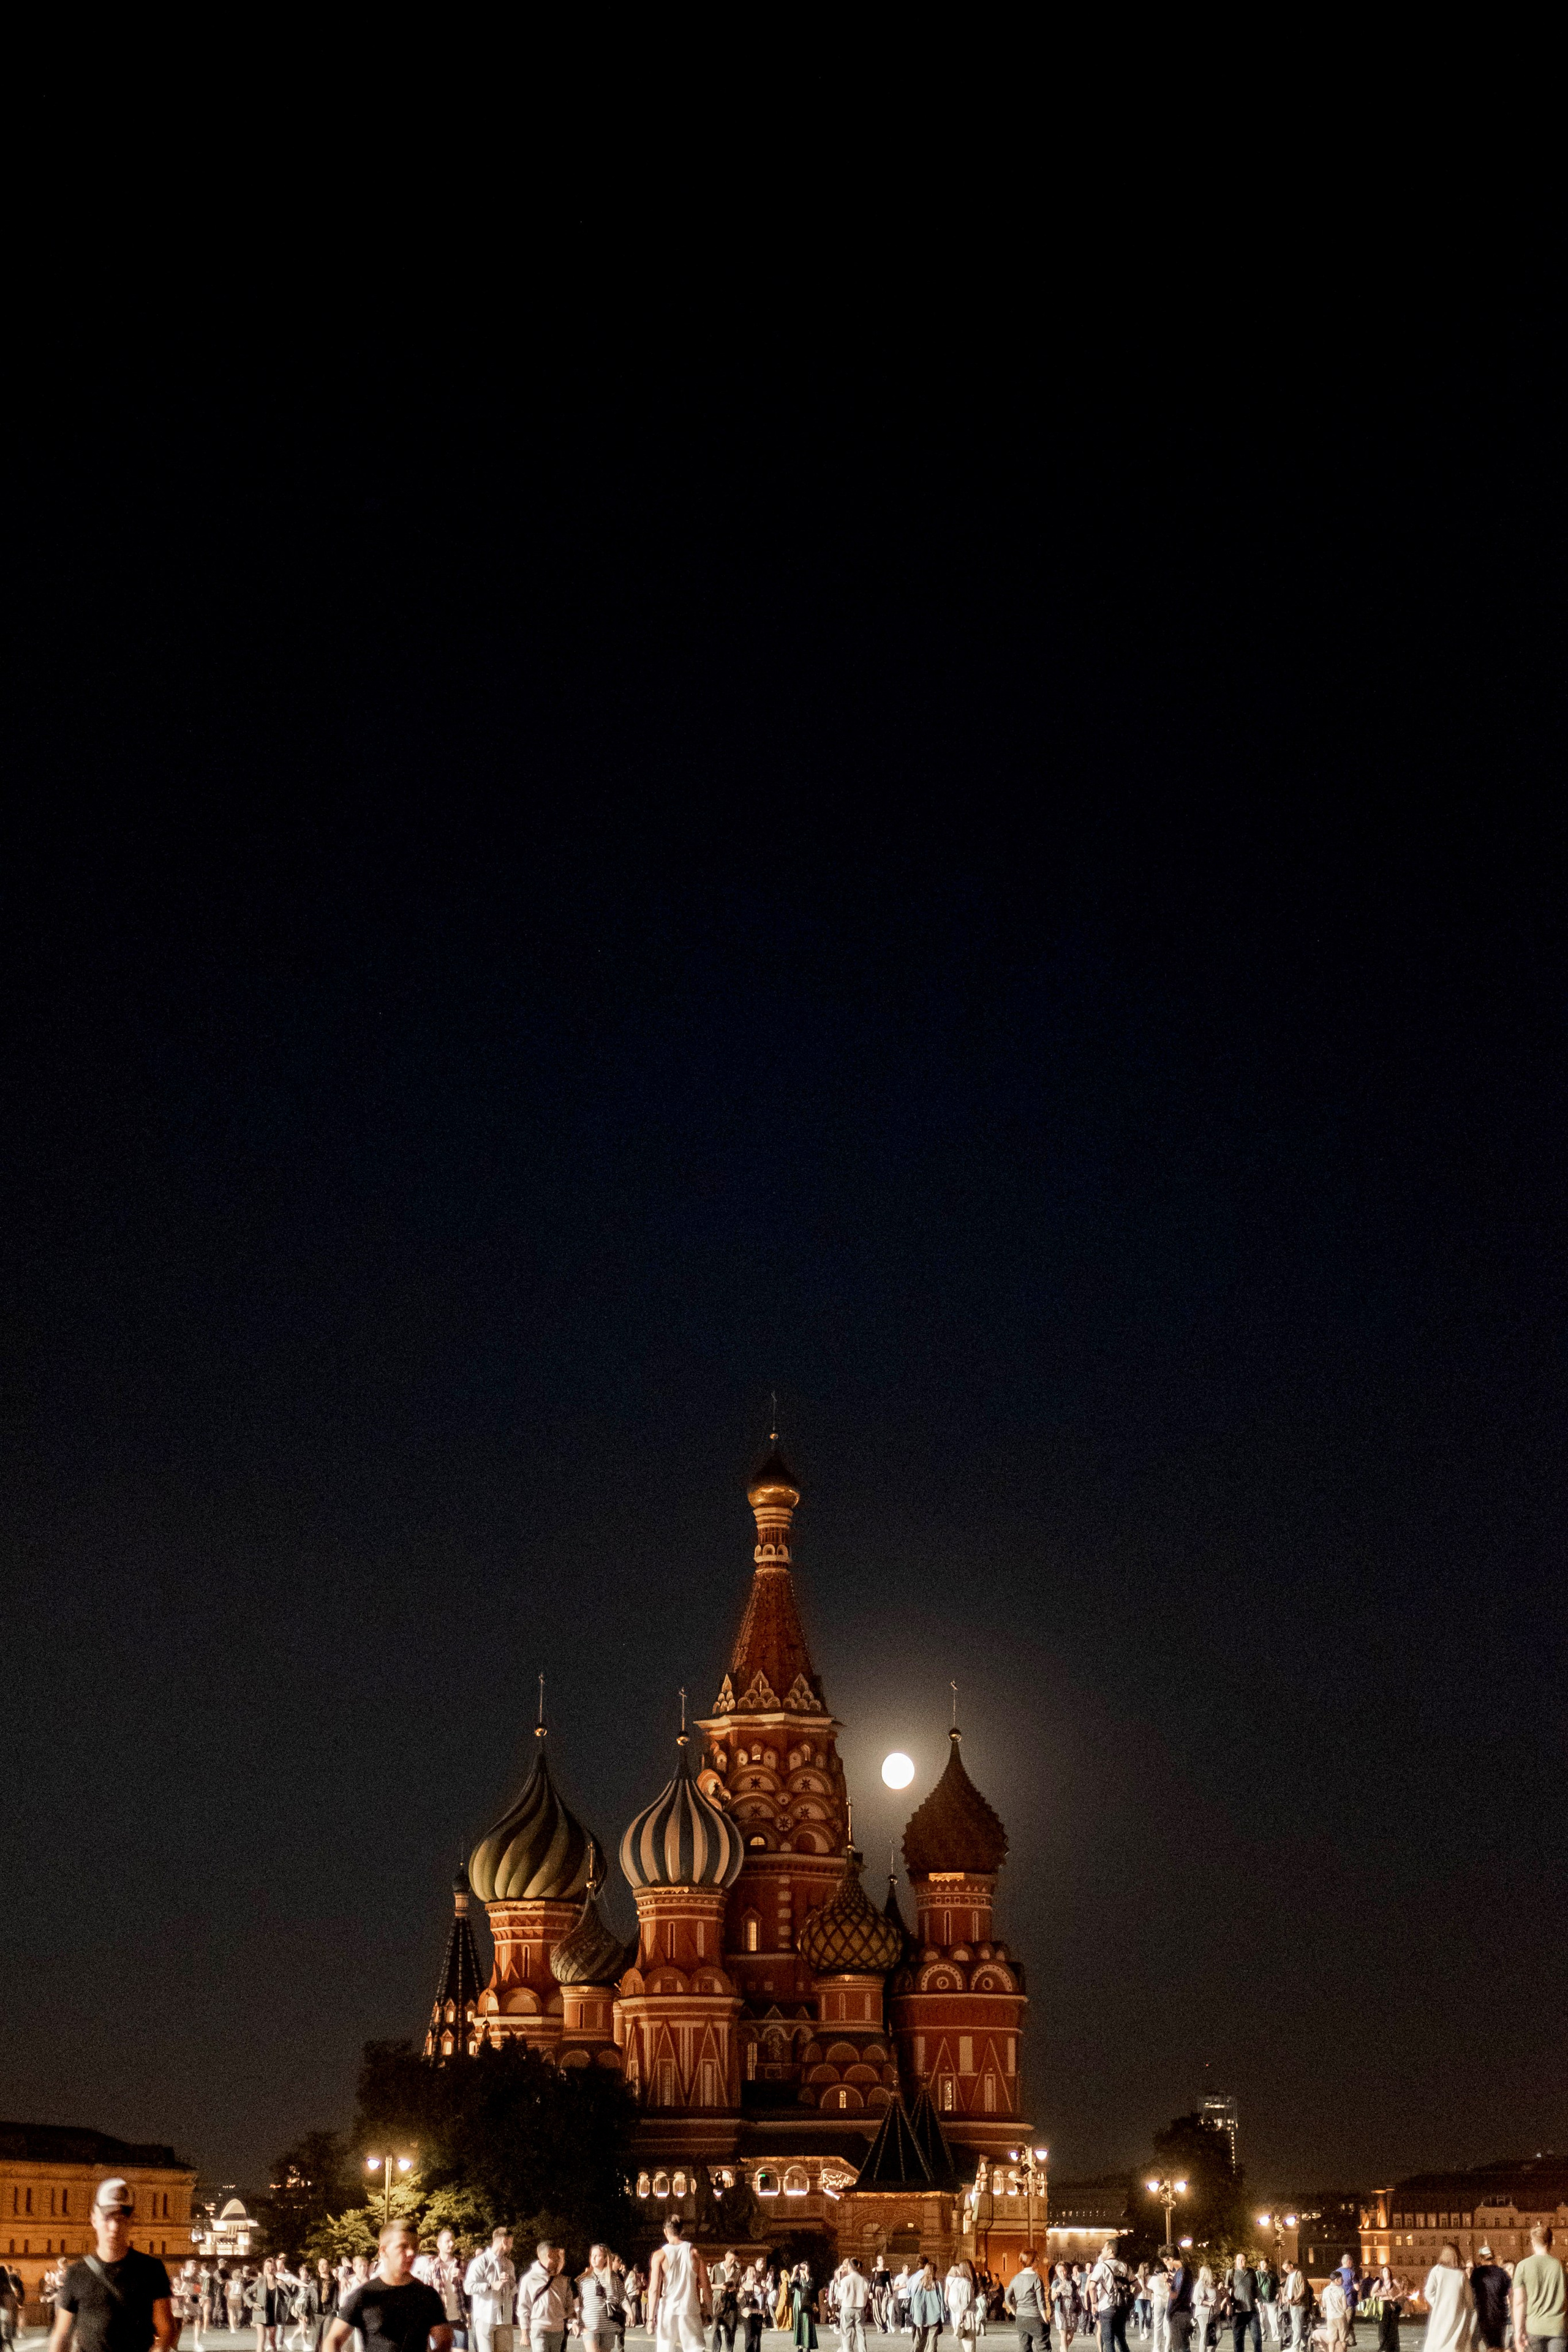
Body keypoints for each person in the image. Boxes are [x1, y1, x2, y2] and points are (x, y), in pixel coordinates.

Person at [48, 2178, 179, 2352]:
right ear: (94, 2219)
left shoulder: (151, 2270)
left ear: (130, 2221)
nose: (114, 2227)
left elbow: (166, 2330)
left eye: (121, 2219)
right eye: (108, 2218)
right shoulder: (76, 2274)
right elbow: (61, 2335)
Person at [325, 2227, 451, 2352]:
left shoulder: (427, 2295)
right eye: (403, 2247)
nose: (411, 2253)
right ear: (383, 2251)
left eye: (414, 2247)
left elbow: (444, 2340)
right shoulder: (366, 2295)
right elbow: (332, 2340)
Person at [648, 2219, 710, 2352]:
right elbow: (706, 2285)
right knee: (696, 2349)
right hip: (689, 2308)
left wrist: (650, 2319)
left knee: (666, 2349)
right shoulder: (695, 2253)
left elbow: (654, 2289)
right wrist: (711, 2310)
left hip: (668, 2310)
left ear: (665, 2232)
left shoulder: (659, 2255)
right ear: (682, 2231)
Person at [1512, 2226, 1567, 2352]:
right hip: (1558, 2327)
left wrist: (1518, 2332)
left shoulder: (1522, 2266)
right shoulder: (1560, 2266)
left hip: (1534, 2327)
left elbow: (1519, 2302)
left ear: (1532, 2242)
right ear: (1550, 2242)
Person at [464, 2233, 516, 2352]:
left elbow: (513, 2290)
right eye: (511, 2242)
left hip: (505, 2320)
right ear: (504, 2241)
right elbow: (468, 2287)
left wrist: (510, 2281)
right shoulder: (480, 2262)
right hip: (485, 2318)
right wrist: (490, 2286)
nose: (512, 2246)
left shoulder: (509, 2264)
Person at [518, 2245, 573, 2352]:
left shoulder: (562, 2279)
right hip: (539, 2329)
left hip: (559, 2330)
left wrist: (573, 2322)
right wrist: (524, 2334)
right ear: (549, 2255)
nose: (560, 2260)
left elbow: (569, 2304)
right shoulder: (529, 2279)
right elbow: (523, 2307)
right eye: (557, 2256)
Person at [1418, 2246, 1474, 2352]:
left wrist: (1438, 2304)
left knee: (1437, 2342)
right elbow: (1469, 2299)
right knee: (1455, 2343)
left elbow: (1428, 2293)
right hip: (1457, 2316)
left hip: (1440, 2316)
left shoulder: (1436, 2271)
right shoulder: (1461, 2275)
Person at [1468, 2249, 1509, 2352]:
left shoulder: (1477, 2273)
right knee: (1498, 2347)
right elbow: (1508, 2292)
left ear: (1481, 2258)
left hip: (1482, 2317)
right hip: (1500, 2317)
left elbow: (1470, 2292)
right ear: (1493, 2257)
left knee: (1475, 2346)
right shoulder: (1502, 2273)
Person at [1090, 2248, 1130, 2352]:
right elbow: (1137, 2285)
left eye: (1104, 2248)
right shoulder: (1125, 2266)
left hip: (1107, 2305)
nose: (1102, 2250)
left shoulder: (1102, 2266)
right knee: (1121, 2339)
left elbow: (1092, 2286)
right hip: (1122, 2306)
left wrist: (1094, 2303)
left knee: (1108, 2340)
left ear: (1110, 2251)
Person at [1008, 2256, 1050, 2352]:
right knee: (1043, 2347)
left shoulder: (1016, 2278)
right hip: (1035, 2317)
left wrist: (1015, 2312)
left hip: (1021, 2318)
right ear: (1032, 2261)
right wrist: (1045, 2319)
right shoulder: (1036, 2278)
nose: (1038, 2261)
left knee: (1024, 2348)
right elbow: (1041, 2301)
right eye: (1037, 2260)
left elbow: (1007, 2298)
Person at [909, 2268, 943, 2352]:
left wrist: (914, 2312)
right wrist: (942, 2315)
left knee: (919, 2338)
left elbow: (914, 2299)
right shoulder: (937, 2284)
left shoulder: (920, 2283)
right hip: (934, 2315)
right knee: (932, 2339)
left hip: (921, 2315)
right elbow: (941, 2300)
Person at [1229, 2261, 1260, 2352]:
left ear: (1246, 2261)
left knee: (1257, 2338)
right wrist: (1229, 2305)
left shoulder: (1252, 2272)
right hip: (1238, 2311)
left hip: (1252, 2310)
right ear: (1235, 2261)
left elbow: (1256, 2288)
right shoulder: (1231, 2273)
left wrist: (1259, 2299)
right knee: (1238, 2340)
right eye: (1239, 2259)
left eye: (1243, 2259)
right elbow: (1227, 2289)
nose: (1241, 2262)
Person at [840, 2264, 872, 2352]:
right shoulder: (864, 2280)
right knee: (861, 2333)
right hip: (860, 2308)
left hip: (847, 2307)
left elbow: (840, 2295)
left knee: (846, 2333)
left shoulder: (846, 2280)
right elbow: (866, 2294)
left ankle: (847, 2350)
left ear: (850, 2267)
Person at [947, 2269, 976, 2352]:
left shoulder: (965, 2283)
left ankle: (956, 2330)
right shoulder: (966, 2282)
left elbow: (965, 2301)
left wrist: (962, 2313)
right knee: (967, 2339)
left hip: (965, 2312)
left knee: (967, 2339)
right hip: (966, 2311)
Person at [794, 2271, 821, 2352]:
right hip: (798, 2303)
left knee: (807, 2324)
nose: (803, 2270)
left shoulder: (810, 2280)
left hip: (807, 2304)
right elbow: (790, 2286)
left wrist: (806, 2274)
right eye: (801, 2269)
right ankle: (800, 2346)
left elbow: (810, 2286)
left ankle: (808, 2345)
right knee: (799, 2324)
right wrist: (794, 2272)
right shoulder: (797, 2280)